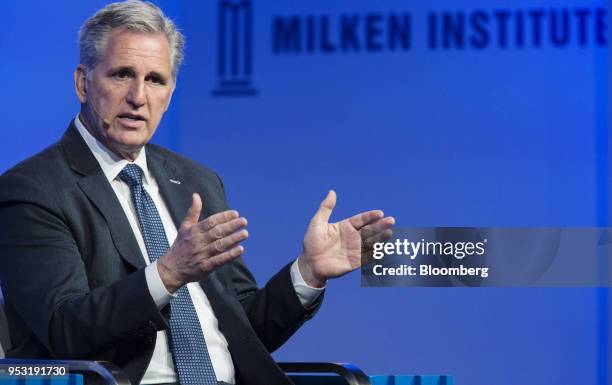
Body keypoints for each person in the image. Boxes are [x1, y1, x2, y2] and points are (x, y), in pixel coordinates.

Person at [0, 2, 394, 385]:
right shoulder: (33, 190)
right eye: (122, 75)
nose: (139, 96)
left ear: (169, 95)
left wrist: (308, 272)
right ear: (83, 83)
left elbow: (245, 332)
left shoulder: (195, 181)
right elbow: (65, 330)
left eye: (156, 80)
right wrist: (168, 274)